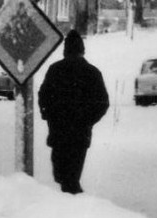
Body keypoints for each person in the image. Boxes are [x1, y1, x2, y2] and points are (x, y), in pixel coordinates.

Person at [37, 30, 109, 194]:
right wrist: (87, 120)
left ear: (65, 50)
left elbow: (43, 95)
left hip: (58, 131)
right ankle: (72, 201)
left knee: (62, 175)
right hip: (80, 133)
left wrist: (48, 114)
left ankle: (71, 204)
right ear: (82, 50)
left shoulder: (55, 70)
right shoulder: (92, 72)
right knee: (72, 174)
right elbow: (103, 103)